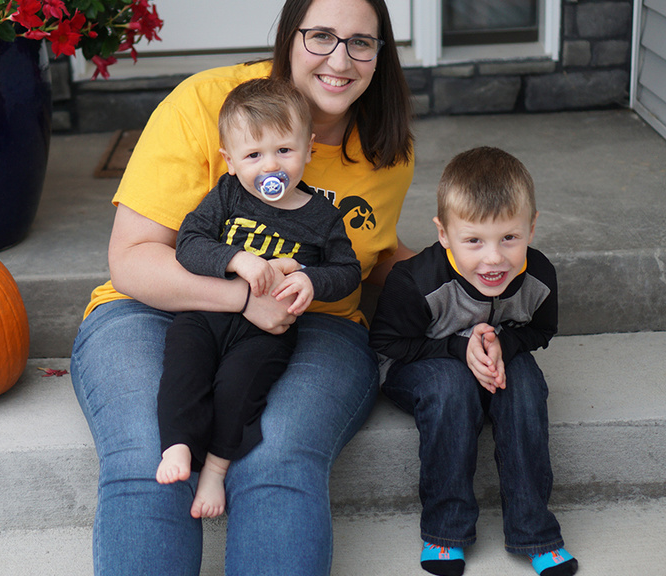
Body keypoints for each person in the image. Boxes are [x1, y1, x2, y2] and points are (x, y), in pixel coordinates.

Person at [69, 0, 415, 572]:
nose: (340, 59)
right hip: (158, 306)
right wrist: (243, 297)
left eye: (361, 42)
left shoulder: (385, 145)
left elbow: (373, 254)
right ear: (288, 35)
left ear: (381, 54)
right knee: (150, 452)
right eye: (321, 36)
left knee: (275, 454)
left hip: (314, 325)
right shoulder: (206, 103)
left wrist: (469, 286)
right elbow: (132, 259)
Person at [155, 77, 362, 520]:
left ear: (308, 149)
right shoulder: (228, 195)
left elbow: (347, 272)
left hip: (267, 331)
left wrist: (311, 279)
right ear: (230, 162)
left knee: (238, 389)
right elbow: (189, 242)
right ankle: (178, 446)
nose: (271, 167)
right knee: (184, 368)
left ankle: (215, 468)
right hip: (205, 314)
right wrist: (237, 259)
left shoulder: (321, 216)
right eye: (254, 155)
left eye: (284, 151)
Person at [369, 147, 578, 576]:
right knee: (451, 387)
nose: (493, 259)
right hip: (419, 363)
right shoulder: (415, 282)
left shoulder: (538, 278)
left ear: (531, 227)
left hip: (496, 359)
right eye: (473, 241)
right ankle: (446, 532)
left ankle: (534, 530)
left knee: (523, 384)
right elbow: (388, 343)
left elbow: (541, 331)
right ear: (444, 233)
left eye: (509, 238)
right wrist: (456, 349)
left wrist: (505, 344)